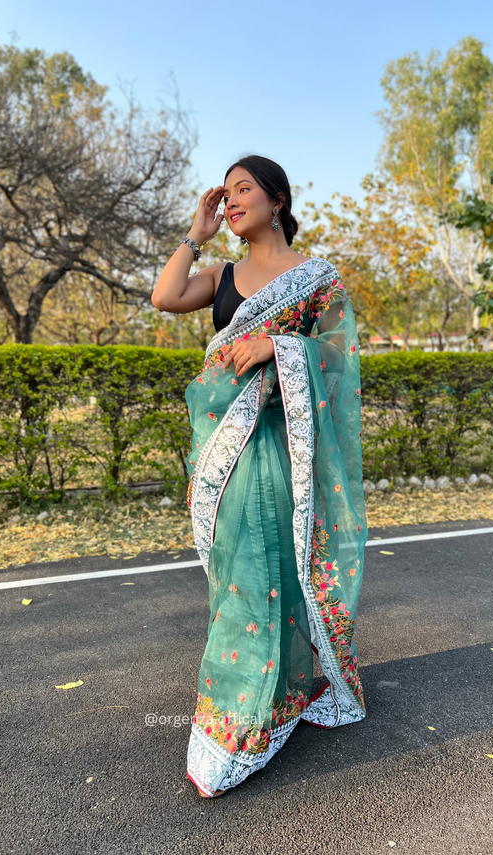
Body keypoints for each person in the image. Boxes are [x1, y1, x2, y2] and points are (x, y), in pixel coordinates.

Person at [151, 154, 368, 798]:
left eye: (245, 189)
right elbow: (165, 297)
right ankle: (255, 696)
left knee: (277, 570)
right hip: (225, 450)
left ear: (277, 201)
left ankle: (256, 712)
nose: (233, 199)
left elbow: (342, 355)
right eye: (228, 193)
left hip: (285, 450)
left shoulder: (315, 280)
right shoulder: (219, 273)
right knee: (237, 576)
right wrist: (197, 232)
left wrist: (282, 346)